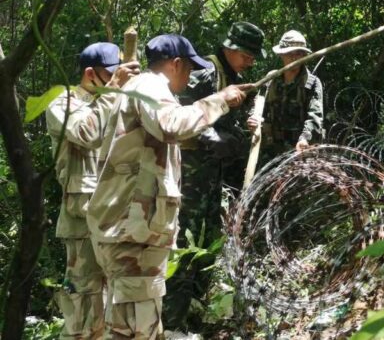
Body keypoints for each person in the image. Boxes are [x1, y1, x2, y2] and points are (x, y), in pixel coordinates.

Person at [86, 34, 250, 339]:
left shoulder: (141, 90)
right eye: (189, 70)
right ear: (176, 65)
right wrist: (220, 100)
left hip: (133, 232)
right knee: (136, 329)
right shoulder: (149, 86)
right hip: (130, 233)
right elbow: (171, 124)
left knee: (133, 326)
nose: (190, 79)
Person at [164, 21, 265, 329]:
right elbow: (182, 113)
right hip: (191, 171)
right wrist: (214, 138)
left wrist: (236, 134)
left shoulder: (232, 78)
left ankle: (194, 308)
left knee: (208, 237)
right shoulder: (206, 71)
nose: (250, 62)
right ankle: (171, 317)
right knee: (185, 236)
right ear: (231, 48)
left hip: (210, 173)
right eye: (247, 55)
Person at [45, 42, 140, 340]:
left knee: (121, 297)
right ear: (90, 73)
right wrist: (113, 91)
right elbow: (86, 133)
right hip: (81, 217)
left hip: (118, 213)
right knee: (84, 302)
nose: (117, 79)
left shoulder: (112, 101)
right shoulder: (62, 104)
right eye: (111, 74)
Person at [247, 30, 323, 159]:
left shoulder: (312, 83)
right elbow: (258, 104)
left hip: (301, 150)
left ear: (304, 55)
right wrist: (253, 117)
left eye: (298, 53)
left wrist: (304, 139)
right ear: (281, 55)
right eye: (289, 53)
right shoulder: (271, 79)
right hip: (271, 150)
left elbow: (315, 116)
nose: (294, 58)